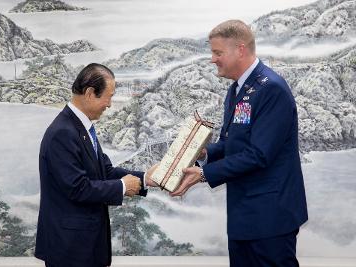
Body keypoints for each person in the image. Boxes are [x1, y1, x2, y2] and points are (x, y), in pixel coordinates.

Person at [171, 20, 308, 266]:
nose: (213, 59)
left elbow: (259, 154)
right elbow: (230, 141)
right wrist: (201, 153)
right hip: (243, 215)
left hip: (270, 217)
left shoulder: (272, 89)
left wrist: (204, 174)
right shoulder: (236, 89)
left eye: (217, 52)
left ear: (240, 50)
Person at [35, 63, 158, 267]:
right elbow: (77, 188)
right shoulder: (63, 133)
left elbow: (105, 171)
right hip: (70, 249)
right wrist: (122, 187)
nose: (110, 104)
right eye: (108, 96)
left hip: (85, 244)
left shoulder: (80, 127)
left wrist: (145, 179)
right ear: (91, 93)